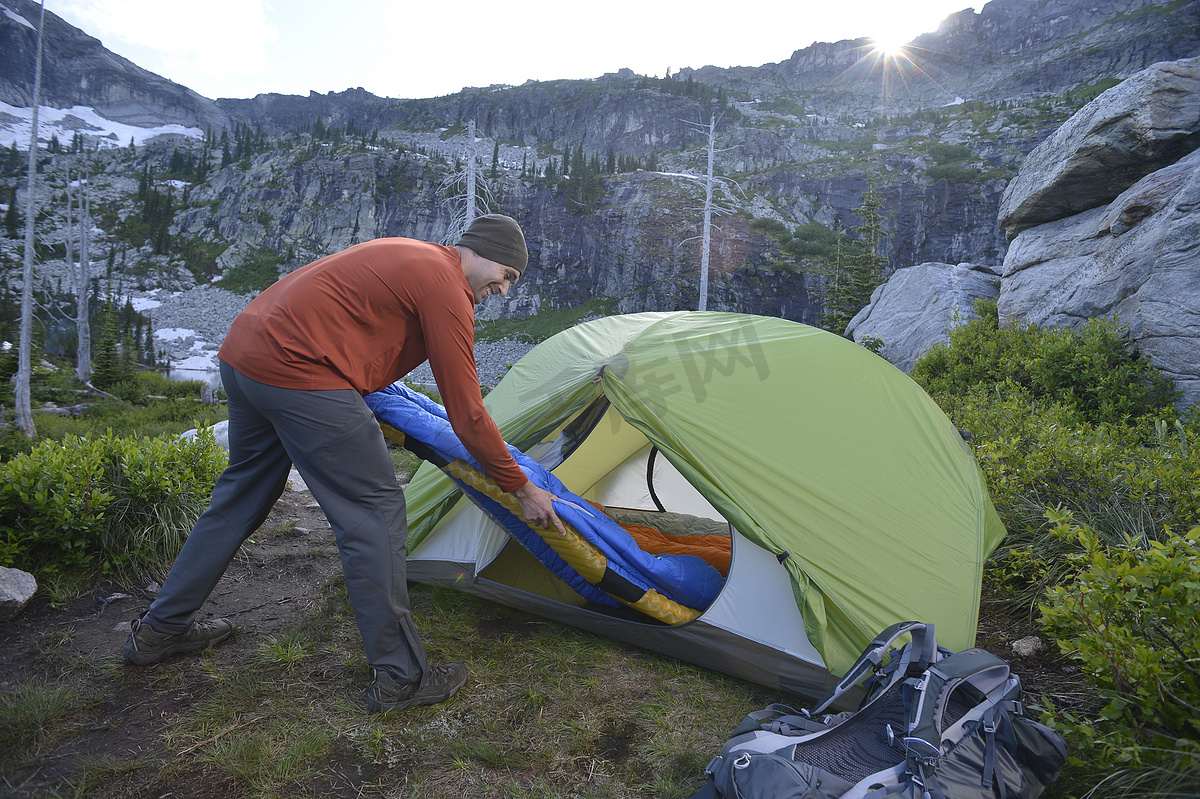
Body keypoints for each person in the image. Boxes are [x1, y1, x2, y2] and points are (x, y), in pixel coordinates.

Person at [122, 214, 566, 714]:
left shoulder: (414, 255)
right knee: (375, 512)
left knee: (237, 500)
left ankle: (159, 631)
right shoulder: (446, 285)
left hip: (246, 355)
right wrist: (521, 487)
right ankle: (400, 676)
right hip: (300, 372)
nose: (503, 291)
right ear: (483, 252)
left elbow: (355, 326)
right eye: (507, 277)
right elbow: (467, 411)